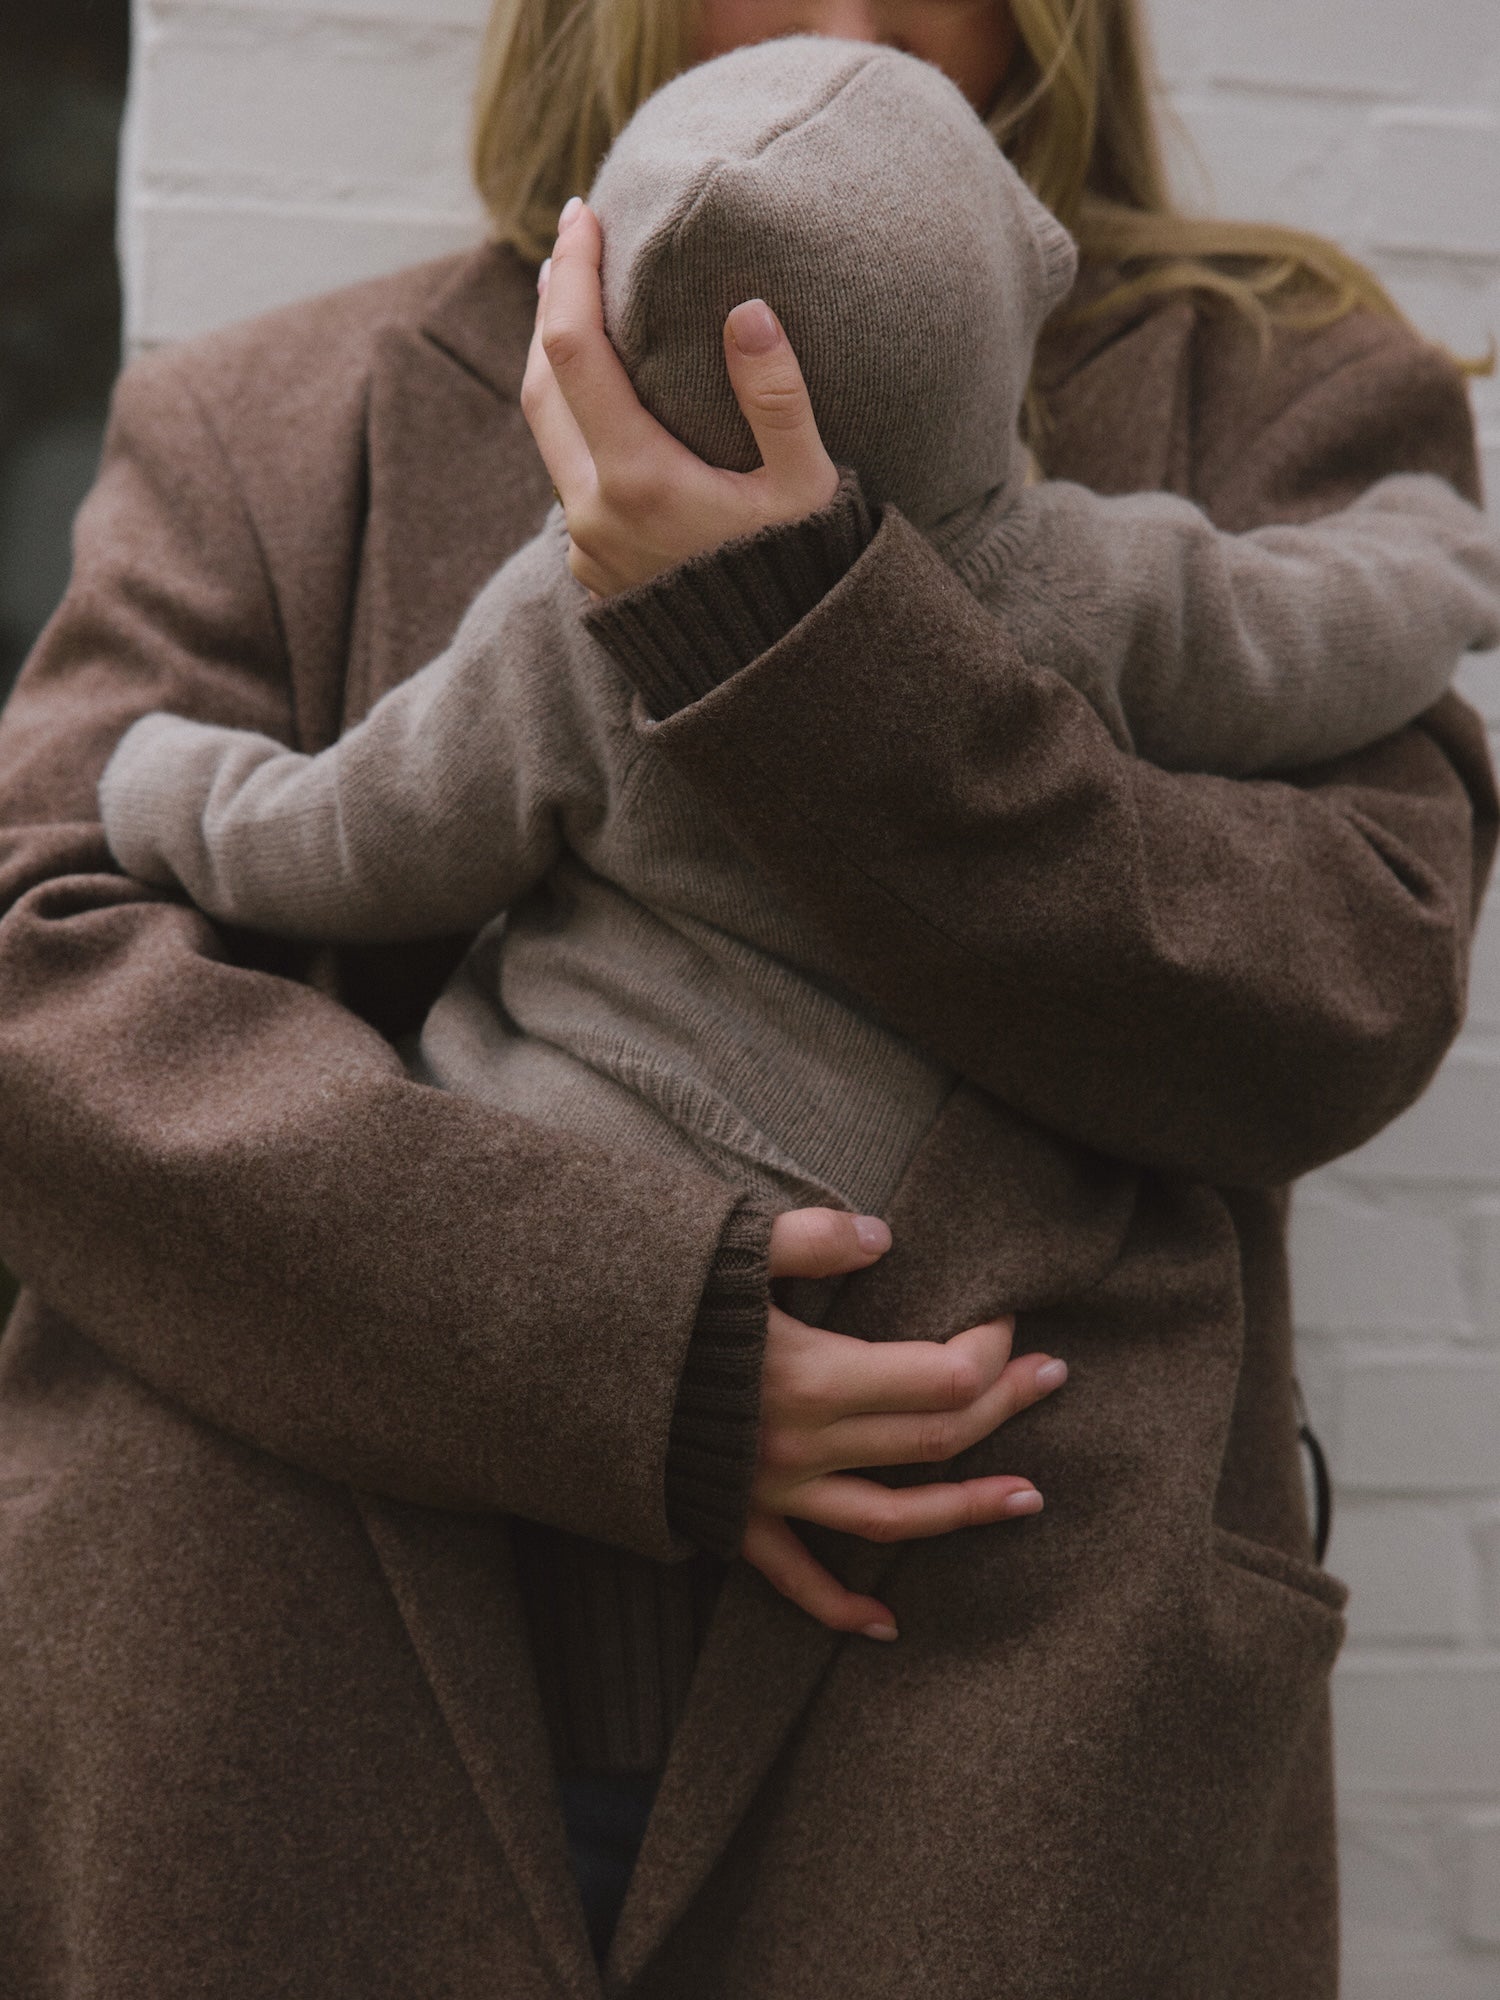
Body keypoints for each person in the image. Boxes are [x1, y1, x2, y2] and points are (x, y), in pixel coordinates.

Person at [0, 3, 1493, 1998]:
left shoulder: (1265, 393)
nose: (853, 30)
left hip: (1003, 1736)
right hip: (296, 1694)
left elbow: (1344, 974)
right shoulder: (273, 418)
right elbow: (39, 971)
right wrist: (625, 1339)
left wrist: (806, 651)